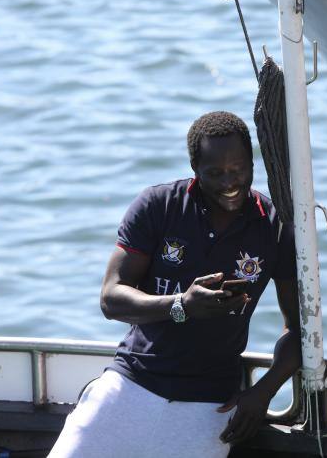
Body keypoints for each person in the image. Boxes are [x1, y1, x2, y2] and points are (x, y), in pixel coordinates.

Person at [49, 111, 301, 457]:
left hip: (210, 401)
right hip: (133, 379)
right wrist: (181, 304)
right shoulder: (158, 206)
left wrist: (265, 391)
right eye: (215, 173)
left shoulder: (275, 227)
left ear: (252, 163)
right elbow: (111, 297)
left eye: (238, 169)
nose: (230, 182)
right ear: (195, 169)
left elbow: (300, 328)